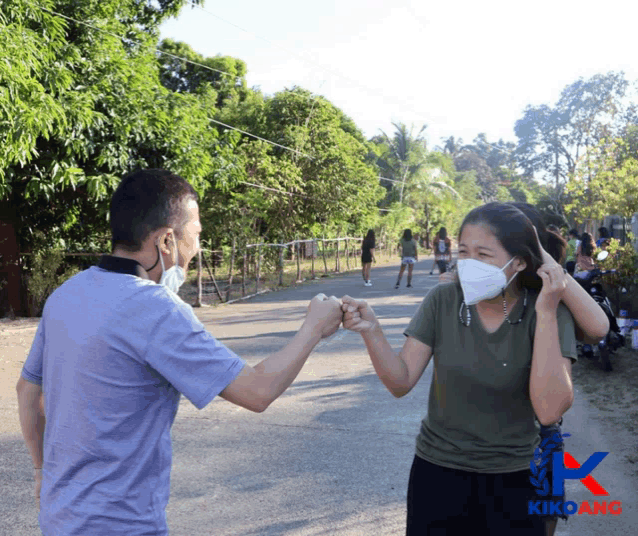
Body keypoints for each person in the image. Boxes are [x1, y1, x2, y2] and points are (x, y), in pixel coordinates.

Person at [16, 169, 343, 536]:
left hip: (59, 518)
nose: (198, 249)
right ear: (167, 240)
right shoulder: (154, 308)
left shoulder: (67, 293)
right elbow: (257, 391)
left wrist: (41, 471)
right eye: (196, 235)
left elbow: (28, 391)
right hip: (121, 525)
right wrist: (313, 327)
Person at [342, 202, 578, 535]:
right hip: (437, 474)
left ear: (519, 262)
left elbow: (549, 408)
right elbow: (400, 381)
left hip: (518, 478)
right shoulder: (443, 301)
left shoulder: (548, 310)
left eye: (483, 255)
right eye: (463, 252)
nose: (468, 265)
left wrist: (549, 314)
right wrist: (372, 332)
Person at [440, 202, 609, 536]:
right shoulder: (467, 295)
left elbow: (598, 328)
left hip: (537, 443)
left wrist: (545, 259)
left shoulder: (552, 301)